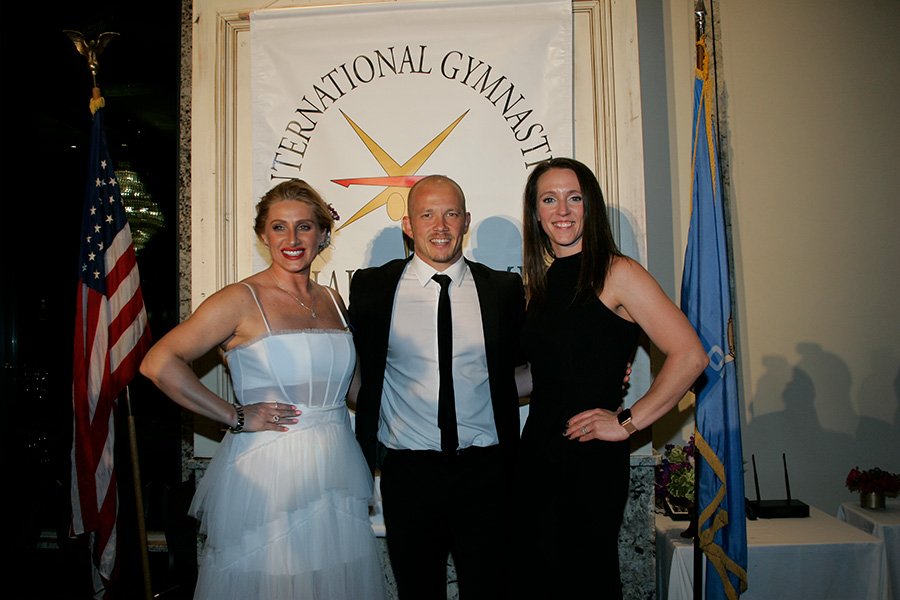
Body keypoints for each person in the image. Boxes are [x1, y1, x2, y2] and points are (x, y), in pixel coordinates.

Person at [140, 180, 386, 600]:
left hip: (337, 465)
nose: (292, 239)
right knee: (275, 580)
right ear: (263, 235)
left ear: (323, 234)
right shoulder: (240, 299)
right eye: (279, 227)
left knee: (332, 580)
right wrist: (234, 415)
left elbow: (354, 391)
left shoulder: (333, 299)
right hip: (270, 473)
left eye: (304, 226)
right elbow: (158, 363)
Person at [515, 158, 708, 599]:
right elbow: (544, 375)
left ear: (591, 206)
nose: (562, 210)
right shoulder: (541, 283)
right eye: (549, 199)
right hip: (537, 456)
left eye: (574, 197)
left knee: (587, 581)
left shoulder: (618, 272)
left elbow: (690, 356)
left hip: (589, 460)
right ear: (536, 213)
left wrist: (627, 422)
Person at [348, 175, 526, 600]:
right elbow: (351, 369)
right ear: (408, 225)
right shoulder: (372, 287)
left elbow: (522, 371)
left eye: (451, 214)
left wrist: (594, 372)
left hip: (486, 473)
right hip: (408, 474)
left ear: (466, 221)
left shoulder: (503, 290)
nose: (440, 226)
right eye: (427, 214)